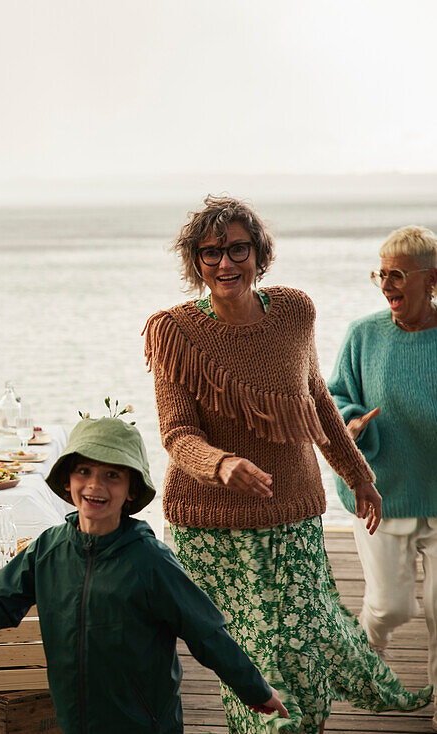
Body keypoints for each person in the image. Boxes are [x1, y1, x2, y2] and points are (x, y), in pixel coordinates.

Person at [142, 195, 432, 733]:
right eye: (210, 254)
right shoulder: (175, 332)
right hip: (212, 523)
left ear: (259, 253)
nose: (225, 263)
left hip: (292, 510)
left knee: (305, 642)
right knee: (250, 656)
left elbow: (318, 401)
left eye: (237, 249)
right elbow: (176, 432)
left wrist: (360, 477)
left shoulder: (295, 311)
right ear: (195, 263)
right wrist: (221, 463)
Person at [0, 417, 289, 733]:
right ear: (67, 481)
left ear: (131, 490)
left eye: (112, 475)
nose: (95, 485)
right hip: (75, 719)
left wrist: (254, 689)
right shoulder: (48, 549)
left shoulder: (150, 561)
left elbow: (206, 632)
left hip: (144, 723)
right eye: (84, 471)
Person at [327, 227, 437, 696]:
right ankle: (363, 655)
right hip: (382, 491)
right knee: (392, 608)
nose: (387, 284)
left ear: (431, 278)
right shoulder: (363, 336)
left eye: (397, 274)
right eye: (381, 274)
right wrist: (350, 425)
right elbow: (333, 397)